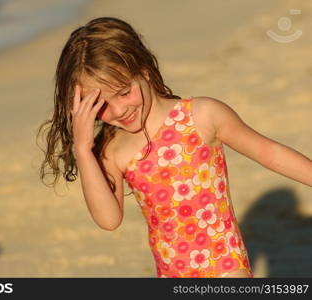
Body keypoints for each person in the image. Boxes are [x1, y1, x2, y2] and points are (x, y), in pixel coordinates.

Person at [37, 17, 312, 278]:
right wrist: (84, 150)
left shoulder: (202, 116)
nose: (119, 110)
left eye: (124, 92)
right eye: (102, 106)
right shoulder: (113, 150)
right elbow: (109, 219)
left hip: (225, 263)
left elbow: (269, 153)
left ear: (143, 71)